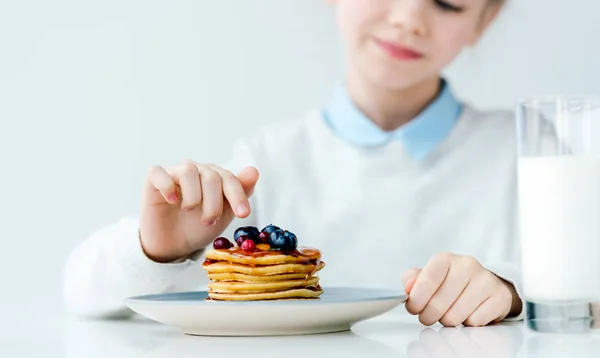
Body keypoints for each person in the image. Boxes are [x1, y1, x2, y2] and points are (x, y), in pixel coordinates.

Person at [63, 0, 524, 326]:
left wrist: (514, 289)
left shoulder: (528, 156)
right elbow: (81, 292)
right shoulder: (267, 163)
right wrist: (159, 251)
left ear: (486, 18)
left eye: (448, 3)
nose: (408, 17)